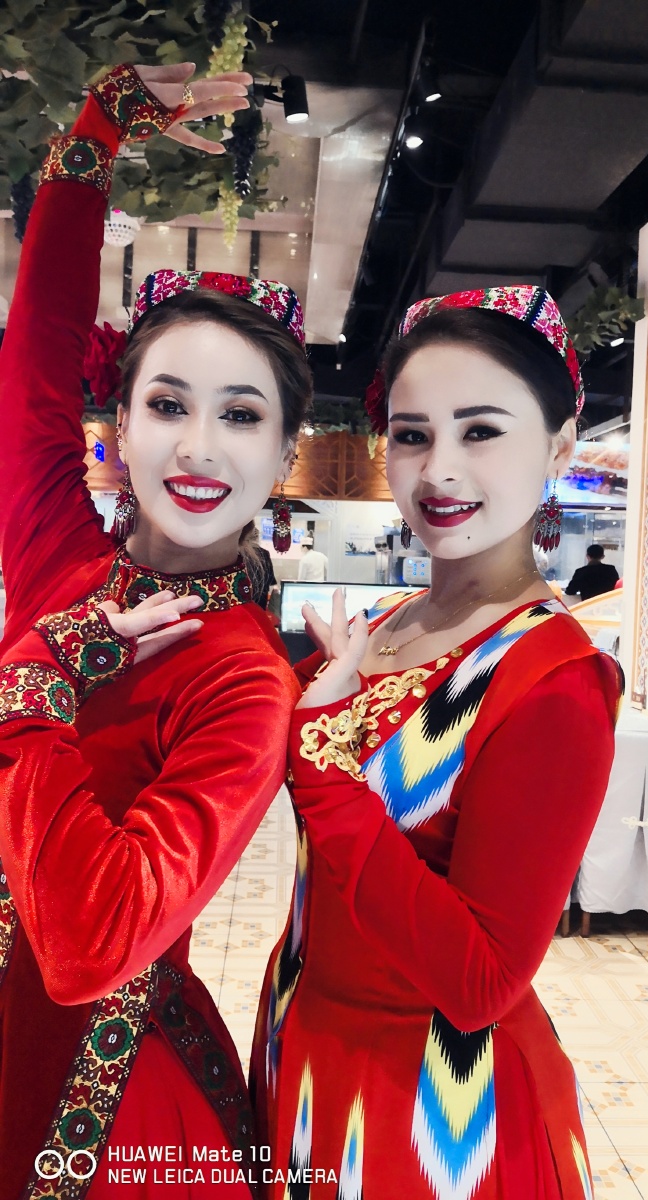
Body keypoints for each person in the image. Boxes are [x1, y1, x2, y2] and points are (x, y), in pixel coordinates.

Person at [0, 63, 312, 1199]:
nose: (197, 448)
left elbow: (92, 944)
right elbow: (31, 361)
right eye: (168, 404)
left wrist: (38, 685)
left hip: (103, 1106)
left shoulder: (245, 680)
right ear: (119, 424)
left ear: (284, 453)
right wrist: (94, 138)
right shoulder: (58, 553)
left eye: (241, 416)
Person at [251, 288, 622, 1198]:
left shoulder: (552, 679)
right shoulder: (384, 621)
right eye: (413, 435)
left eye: (480, 430)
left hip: (432, 1118)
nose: (437, 470)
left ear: (560, 447)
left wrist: (323, 770)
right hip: (301, 1050)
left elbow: (482, 980)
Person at [243, 523, 278, 608]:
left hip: (244, 598)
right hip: (261, 599)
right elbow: (270, 580)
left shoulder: (240, 553)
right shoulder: (264, 553)